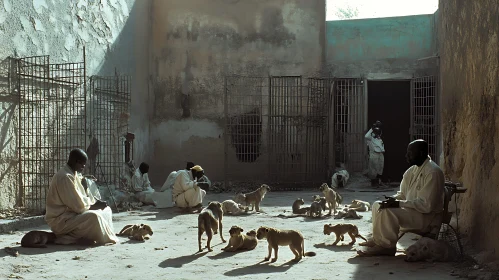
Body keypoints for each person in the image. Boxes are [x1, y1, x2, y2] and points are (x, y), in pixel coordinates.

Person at [357, 139, 445, 256]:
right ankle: (378, 240)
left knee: (388, 212)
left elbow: (426, 206)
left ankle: (387, 246)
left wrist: (399, 204)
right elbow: (402, 195)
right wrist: (392, 199)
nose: (406, 156)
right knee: (378, 205)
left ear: (421, 153)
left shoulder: (433, 172)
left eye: (410, 153)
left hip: (426, 218)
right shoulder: (411, 171)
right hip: (413, 212)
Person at [45, 148, 119, 245]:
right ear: (75, 162)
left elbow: (82, 198)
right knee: (94, 216)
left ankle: (93, 236)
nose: (83, 167)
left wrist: (93, 201)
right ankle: (68, 237)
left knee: (106, 210)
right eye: (82, 164)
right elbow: (78, 206)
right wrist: (94, 206)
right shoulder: (65, 177)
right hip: (62, 220)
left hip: (73, 215)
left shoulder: (74, 175)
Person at [365, 121, 385, 187]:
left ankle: (379, 182)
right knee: (373, 169)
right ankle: (373, 183)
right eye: (376, 132)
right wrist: (372, 128)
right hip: (374, 154)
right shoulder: (370, 139)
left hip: (380, 154)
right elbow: (366, 136)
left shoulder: (379, 139)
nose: (377, 133)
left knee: (380, 168)